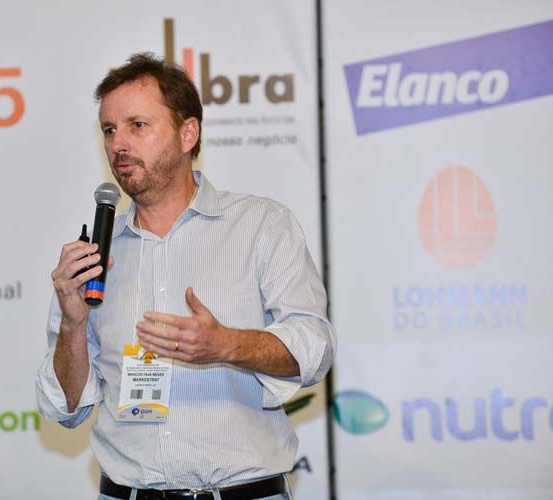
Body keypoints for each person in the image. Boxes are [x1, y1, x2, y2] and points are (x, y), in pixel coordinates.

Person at [37, 53, 335, 500]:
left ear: (187, 133)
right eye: (109, 130)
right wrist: (72, 326)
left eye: (137, 125)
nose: (118, 144)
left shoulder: (260, 225)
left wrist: (225, 345)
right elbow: (68, 408)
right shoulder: (93, 257)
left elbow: (315, 348)